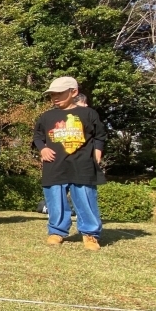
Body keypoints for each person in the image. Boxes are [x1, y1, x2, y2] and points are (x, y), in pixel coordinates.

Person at [33, 77, 107, 251]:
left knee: (85, 199)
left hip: (82, 165)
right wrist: (42, 149)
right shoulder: (47, 116)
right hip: (54, 165)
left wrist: (97, 153)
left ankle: (90, 234)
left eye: (60, 93)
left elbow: (100, 136)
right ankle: (57, 231)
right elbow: (38, 136)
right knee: (55, 200)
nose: (55, 97)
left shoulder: (88, 114)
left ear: (73, 92)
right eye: (52, 94)